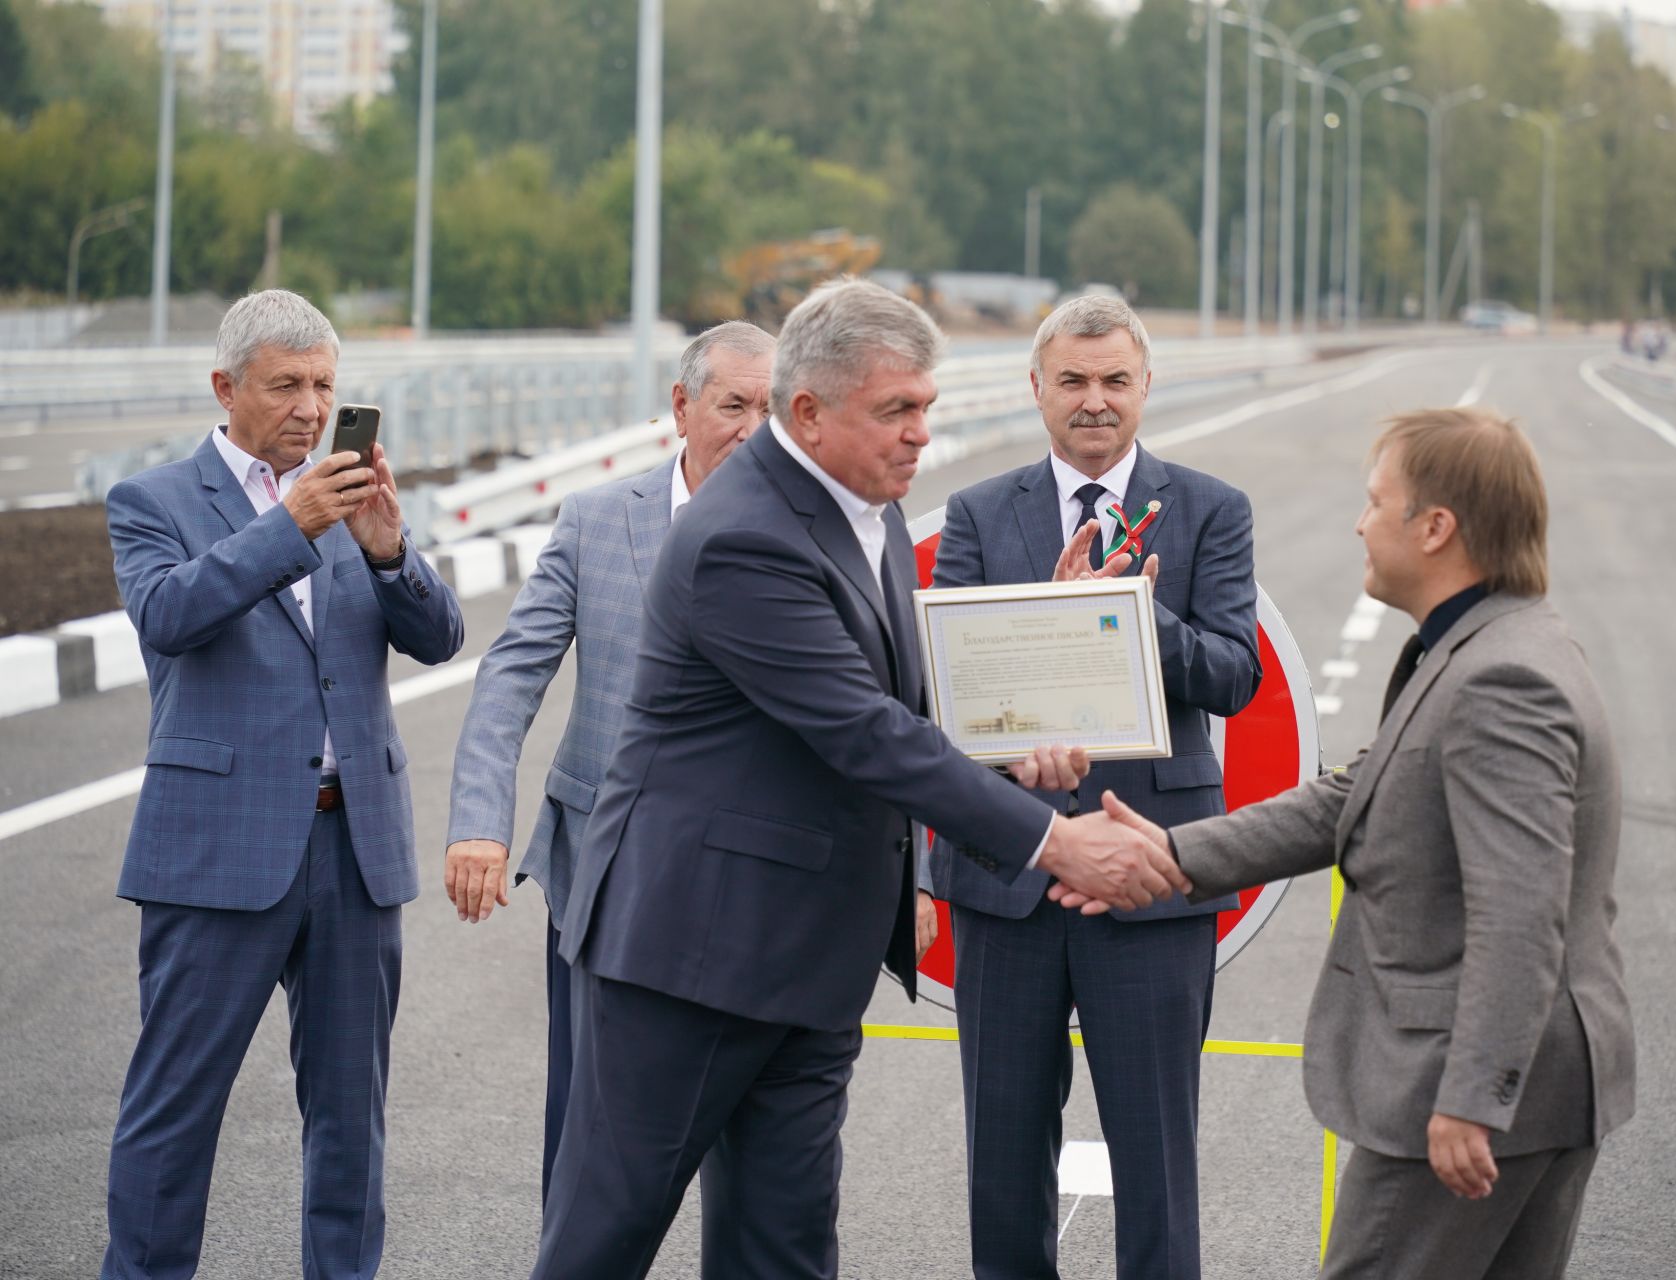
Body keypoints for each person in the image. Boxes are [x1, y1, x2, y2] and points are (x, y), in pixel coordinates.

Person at [530, 279, 1188, 1279]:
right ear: (808, 413)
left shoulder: (865, 508)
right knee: (601, 1241)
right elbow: (864, 730)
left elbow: (910, 696)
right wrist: (1053, 837)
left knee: (785, 1250)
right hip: (691, 960)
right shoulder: (742, 537)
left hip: (807, 959)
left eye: (925, 406)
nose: (922, 433)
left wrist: (1026, 721)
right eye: (897, 411)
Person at [1060, 406, 1635, 1280]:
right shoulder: (1488, 646)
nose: (1360, 524)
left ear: (1436, 528)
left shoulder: (1500, 679)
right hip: (1529, 1086)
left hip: (1464, 1090)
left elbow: (1522, 915)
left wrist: (1472, 1100)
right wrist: (1174, 857)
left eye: (1377, 502)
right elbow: (1350, 798)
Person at [98, 289, 465, 1279]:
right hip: (217, 846)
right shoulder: (155, 501)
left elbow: (440, 639)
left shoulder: (351, 495)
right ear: (226, 388)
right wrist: (292, 525)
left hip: (354, 846)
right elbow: (171, 614)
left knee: (352, 1119)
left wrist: (389, 547)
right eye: (286, 384)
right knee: (174, 1112)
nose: (310, 407)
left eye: (325, 385)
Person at [925, 295, 1260, 1278]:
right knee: (1001, 1163)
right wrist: (1013, 757)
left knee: (1156, 1162)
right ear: (1037, 389)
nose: (1095, 400)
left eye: (1115, 379)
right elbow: (958, 689)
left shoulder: (1212, 509)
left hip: (1151, 874)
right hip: (1009, 875)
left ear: (1146, 386)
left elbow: (1234, 674)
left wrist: (1126, 613)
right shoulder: (980, 513)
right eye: (1072, 380)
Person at [443, 320, 774, 1200]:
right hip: (605, 867)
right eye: (733, 404)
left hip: (754, 879)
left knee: (753, 1146)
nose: (752, 427)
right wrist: (481, 820)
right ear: (681, 406)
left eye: (773, 409)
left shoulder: (822, 531)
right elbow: (512, 673)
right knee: (588, 1122)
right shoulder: (595, 523)